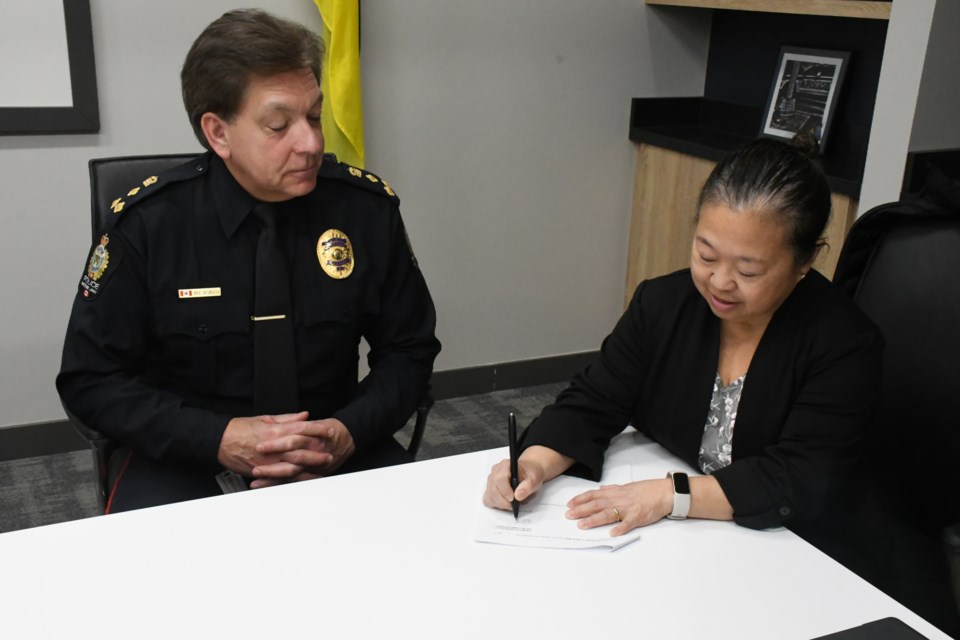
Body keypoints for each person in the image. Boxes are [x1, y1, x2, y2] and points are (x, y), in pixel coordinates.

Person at [57, 9, 440, 513]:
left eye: (314, 116)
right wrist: (217, 437)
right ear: (218, 134)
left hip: (332, 440)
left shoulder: (364, 212)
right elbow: (91, 380)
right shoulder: (149, 225)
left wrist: (349, 429)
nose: (311, 143)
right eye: (279, 125)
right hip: (187, 451)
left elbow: (409, 349)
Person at [484, 137, 883, 535]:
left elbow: (798, 476)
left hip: (794, 543)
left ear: (805, 261)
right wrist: (533, 463)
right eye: (706, 255)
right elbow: (594, 400)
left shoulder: (843, 343)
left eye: (748, 272)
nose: (720, 282)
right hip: (688, 537)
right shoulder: (663, 304)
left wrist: (668, 495)